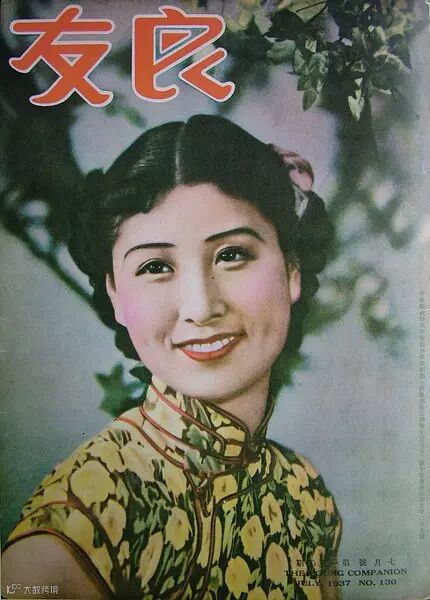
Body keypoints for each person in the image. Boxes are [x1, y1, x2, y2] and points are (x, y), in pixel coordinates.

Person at [2, 115, 341, 600]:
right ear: (115, 295)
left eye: (232, 255)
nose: (201, 307)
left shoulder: (305, 496)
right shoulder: (82, 526)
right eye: (156, 266)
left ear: (292, 270)